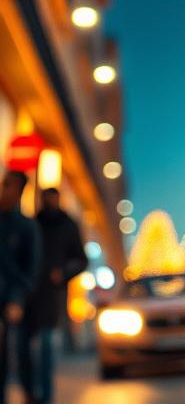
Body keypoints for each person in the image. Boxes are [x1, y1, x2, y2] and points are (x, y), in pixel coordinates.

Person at [21, 188, 87, 404]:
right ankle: (30, 392)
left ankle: (45, 396)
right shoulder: (34, 223)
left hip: (53, 294)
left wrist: (63, 273)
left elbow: (81, 260)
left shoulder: (68, 225)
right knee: (26, 347)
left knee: (47, 345)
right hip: (31, 293)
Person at [0, 170, 41, 404]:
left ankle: (29, 395)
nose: (3, 189)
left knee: (20, 356)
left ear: (19, 191)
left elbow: (30, 270)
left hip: (16, 304)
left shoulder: (26, 227)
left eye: (8, 185)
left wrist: (17, 299)